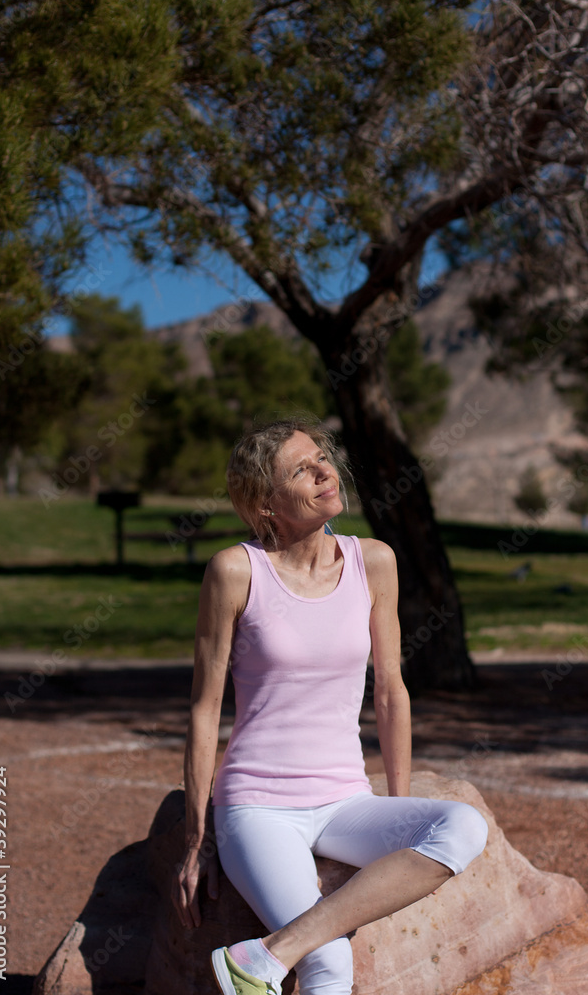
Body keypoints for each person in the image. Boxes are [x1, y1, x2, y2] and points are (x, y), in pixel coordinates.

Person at [172, 417, 488, 995]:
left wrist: (399, 807)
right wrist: (196, 842)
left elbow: (391, 691)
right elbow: (203, 710)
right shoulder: (236, 571)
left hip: (345, 801)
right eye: (302, 469)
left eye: (323, 458)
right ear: (267, 503)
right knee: (330, 964)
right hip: (259, 807)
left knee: (463, 826)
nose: (325, 471)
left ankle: (264, 958)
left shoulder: (373, 561)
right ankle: (272, 958)